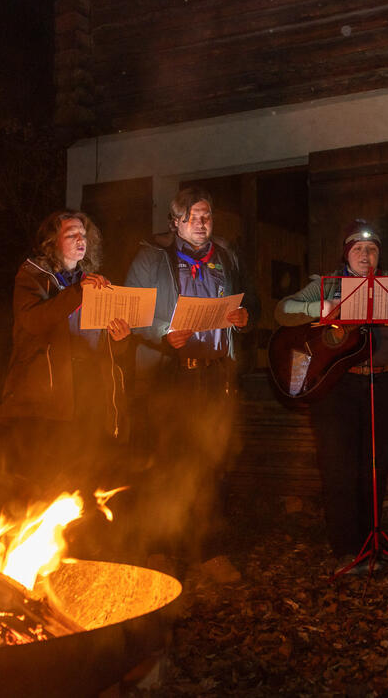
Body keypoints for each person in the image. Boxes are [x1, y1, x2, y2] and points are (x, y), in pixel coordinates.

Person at [274, 220, 388, 569]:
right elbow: (282, 310)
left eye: (372, 248)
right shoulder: (327, 285)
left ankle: (370, 544)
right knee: (338, 468)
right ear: (347, 254)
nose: (366, 254)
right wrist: (320, 309)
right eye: (358, 248)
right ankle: (346, 549)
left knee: (375, 468)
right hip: (335, 387)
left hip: (383, 384)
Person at [122, 187, 258, 561]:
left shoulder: (226, 256)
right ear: (176, 222)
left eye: (207, 217)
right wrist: (164, 331)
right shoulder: (151, 256)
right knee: (168, 460)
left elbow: (250, 303)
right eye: (193, 217)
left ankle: (210, 551)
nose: (202, 223)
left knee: (213, 460)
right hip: (171, 376)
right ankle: (163, 550)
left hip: (216, 376)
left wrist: (245, 320)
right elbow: (132, 310)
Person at [0, 209, 131, 500]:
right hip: (46, 401)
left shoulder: (90, 282)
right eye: (71, 234)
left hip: (87, 395)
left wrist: (118, 338)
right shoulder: (32, 275)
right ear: (52, 241)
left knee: (80, 483)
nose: (80, 240)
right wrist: (76, 294)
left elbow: (101, 341)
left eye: (83, 235)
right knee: (42, 485)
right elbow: (33, 321)